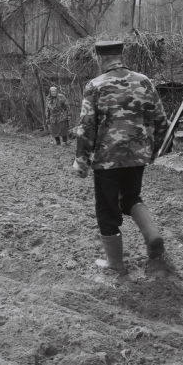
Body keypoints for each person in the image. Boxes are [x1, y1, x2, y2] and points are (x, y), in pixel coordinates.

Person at [72, 41, 169, 275]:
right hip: (138, 155)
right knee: (131, 197)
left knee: (107, 209)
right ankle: (152, 235)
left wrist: (81, 161)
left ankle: (115, 263)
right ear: (120, 56)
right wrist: (150, 152)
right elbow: (162, 121)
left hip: (108, 159)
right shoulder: (144, 81)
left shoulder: (95, 86)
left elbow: (86, 128)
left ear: (99, 59)